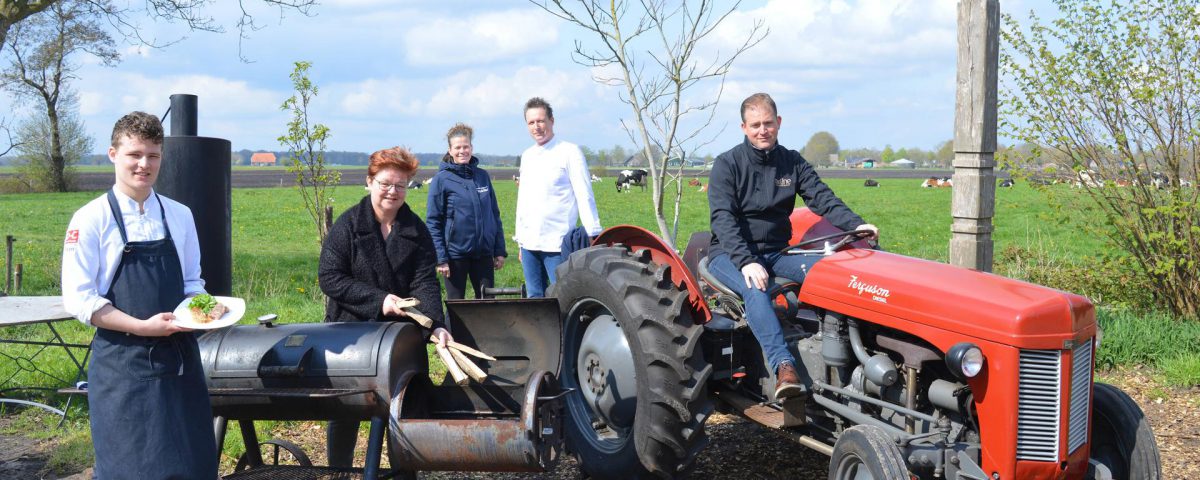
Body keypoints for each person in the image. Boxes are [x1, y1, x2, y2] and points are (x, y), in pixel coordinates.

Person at [60, 111, 218, 479]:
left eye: (153, 155)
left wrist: (209, 311)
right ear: (113, 154)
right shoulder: (90, 219)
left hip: (179, 362)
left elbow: (193, 283)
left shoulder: (179, 215)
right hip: (122, 368)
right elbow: (80, 300)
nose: (144, 165)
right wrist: (141, 327)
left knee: (192, 464)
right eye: (134, 154)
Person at [706, 93, 879, 400]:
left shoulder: (792, 162)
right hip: (730, 254)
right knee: (755, 287)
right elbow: (723, 220)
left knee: (827, 273)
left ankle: (856, 353)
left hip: (777, 251)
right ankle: (783, 367)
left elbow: (822, 198)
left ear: (779, 123)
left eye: (768, 123)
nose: (763, 130)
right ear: (743, 127)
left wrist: (856, 225)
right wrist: (746, 260)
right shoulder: (727, 165)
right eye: (756, 124)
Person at [318, 146, 453, 467]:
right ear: (369, 182)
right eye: (385, 183)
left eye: (401, 185)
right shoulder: (348, 226)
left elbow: (425, 283)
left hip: (399, 340)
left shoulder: (417, 230)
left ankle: (403, 470)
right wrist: (380, 301)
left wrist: (435, 324)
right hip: (350, 335)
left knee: (404, 410)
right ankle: (340, 472)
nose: (393, 191)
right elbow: (329, 277)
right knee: (345, 410)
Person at [514, 97, 602, 297]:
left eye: (540, 121)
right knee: (534, 298)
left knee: (562, 298)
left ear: (551, 121)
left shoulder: (569, 152)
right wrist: (521, 241)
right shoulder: (527, 156)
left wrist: (593, 233)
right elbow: (523, 201)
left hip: (557, 243)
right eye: (531, 122)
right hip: (529, 244)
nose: (536, 127)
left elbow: (584, 194)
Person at [426, 123, 507, 299]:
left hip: (484, 254)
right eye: (458, 147)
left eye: (466, 146)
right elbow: (433, 221)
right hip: (455, 255)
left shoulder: (482, 176)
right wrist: (441, 258)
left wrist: (499, 250)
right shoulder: (441, 180)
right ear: (450, 150)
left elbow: (494, 215)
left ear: (471, 147)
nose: (462, 151)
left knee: (487, 304)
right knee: (456, 307)